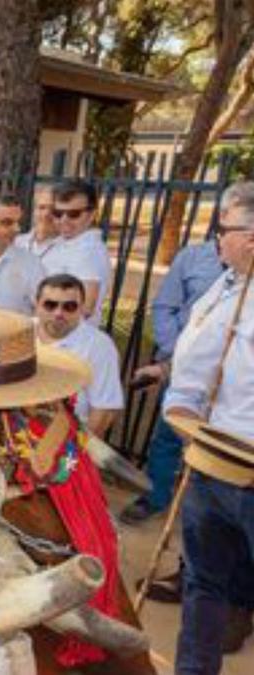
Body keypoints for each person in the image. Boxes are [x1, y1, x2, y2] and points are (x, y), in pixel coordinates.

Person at [164, 203, 254, 675]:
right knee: (202, 583)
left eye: (226, 230)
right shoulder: (224, 286)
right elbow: (196, 359)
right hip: (211, 460)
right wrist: (181, 410)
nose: (216, 238)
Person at [121, 185, 245, 525]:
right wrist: (174, 360)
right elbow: (165, 307)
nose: (221, 227)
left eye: (229, 222)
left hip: (234, 416)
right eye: (223, 218)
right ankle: (158, 496)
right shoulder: (194, 259)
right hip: (180, 375)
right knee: (167, 439)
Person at [34, 274, 123, 436]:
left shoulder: (99, 346)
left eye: (69, 307)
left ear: (82, 308)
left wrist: (76, 448)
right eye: (50, 305)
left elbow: (104, 410)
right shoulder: (20, 332)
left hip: (69, 434)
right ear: (36, 305)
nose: (58, 313)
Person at [42, 179, 113, 325]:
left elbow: (85, 308)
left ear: (91, 215)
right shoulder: (63, 242)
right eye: (58, 213)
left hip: (66, 340)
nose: (64, 220)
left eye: (74, 214)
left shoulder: (89, 251)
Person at [15, 185, 59, 261]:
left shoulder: (67, 248)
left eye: (53, 210)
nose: (46, 214)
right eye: (42, 207)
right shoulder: (16, 243)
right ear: (34, 210)